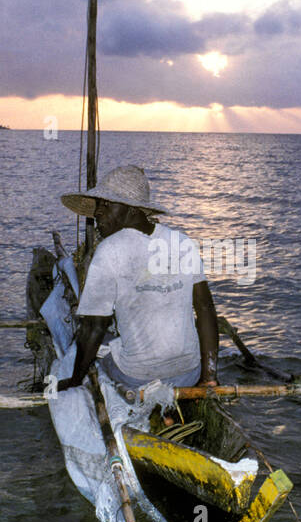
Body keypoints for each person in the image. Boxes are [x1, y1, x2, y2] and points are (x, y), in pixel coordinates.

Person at [55, 165, 218, 393]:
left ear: (132, 210)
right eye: (99, 205)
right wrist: (208, 376)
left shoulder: (109, 250)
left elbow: (94, 328)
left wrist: (74, 381)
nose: (97, 212)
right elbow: (206, 308)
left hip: (137, 379)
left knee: (97, 339)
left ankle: (131, 395)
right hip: (189, 375)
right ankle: (174, 403)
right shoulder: (181, 241)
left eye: (106, 205)